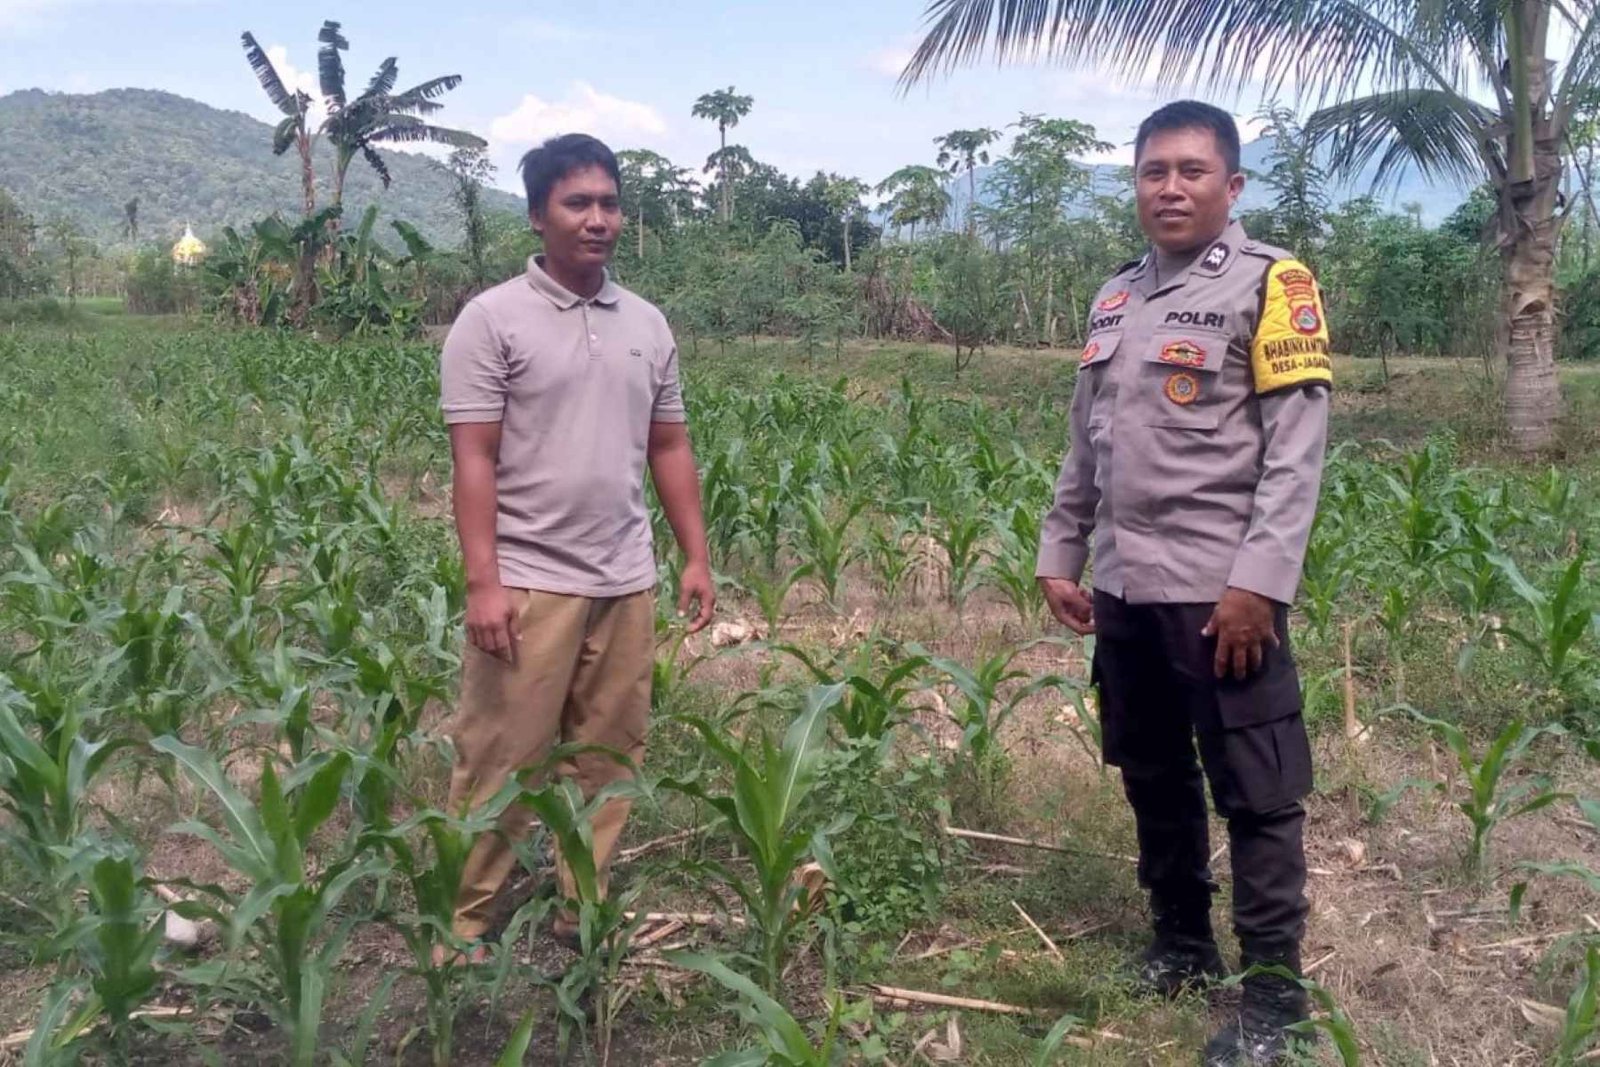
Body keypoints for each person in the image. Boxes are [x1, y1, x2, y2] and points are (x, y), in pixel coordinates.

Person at [1034, 101, 1331, 1066]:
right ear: (1135, 184)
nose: (1171, 187)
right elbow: (1088, 441)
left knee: (1256, 789)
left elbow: (1295, 454)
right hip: (1126, 587)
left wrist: (1260, 585)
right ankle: (1180, 944)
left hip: (1221, 595)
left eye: (1193, 171)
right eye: (1154, 170)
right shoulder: (1115, 299)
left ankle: (1276, 1002)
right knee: (1153, 772)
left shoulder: (1272, 285)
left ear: (1231, 186)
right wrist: (1062, 549)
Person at [437, 133, 715, 958]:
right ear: (537, 215)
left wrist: (693, 555)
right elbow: (473, 459)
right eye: (577, 203)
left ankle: (577, 905)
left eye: (609, 203)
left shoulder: (646, 323)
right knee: (501, 756)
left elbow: (669, 445)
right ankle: (462, 921)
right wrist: (484, 583)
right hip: (531, 581)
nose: (598, 220)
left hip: (625, 578)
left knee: (608, 758)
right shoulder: (491, 321)